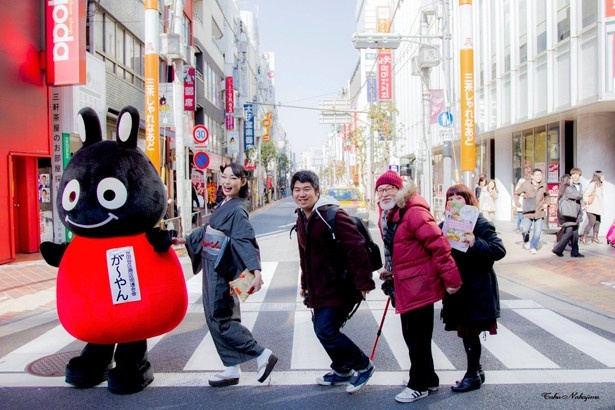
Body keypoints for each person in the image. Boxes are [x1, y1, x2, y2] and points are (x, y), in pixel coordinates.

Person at [174, 163, 277, 387]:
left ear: (243, 182)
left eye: (233, 178)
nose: (227, 182)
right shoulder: (226, 203)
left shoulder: (238, 209)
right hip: (214, 265)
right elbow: (208, 230)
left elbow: (245, 239)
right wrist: (184, 240)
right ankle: (231, 368)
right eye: (224, 177)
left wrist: (255, 269)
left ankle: (261, 353)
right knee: (217, 317)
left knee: (221, 319)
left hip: (220, 269)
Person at [374, 170, 462, 404]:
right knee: (415, 336)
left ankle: (418, 384)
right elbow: (401, 250)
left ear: (400, 189)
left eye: (389, 189)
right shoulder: (391, 213)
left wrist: (452, 280)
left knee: (416, 338)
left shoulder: (413, 212)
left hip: (419, 286)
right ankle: (429, 378)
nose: (384, 193)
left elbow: (439, 246)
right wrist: (390, 269)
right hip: (407, 284)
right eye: (380, 190)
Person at [290, 170, 376, 394]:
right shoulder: (302, 217)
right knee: (321, 329)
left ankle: (363, 366)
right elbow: (304, 255)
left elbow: (356, 246)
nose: (302, 194)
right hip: (319, 287)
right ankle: (342, 368)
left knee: (326, 330)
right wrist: (305, 283)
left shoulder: (333, 215)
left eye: (307, 189)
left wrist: (364, 283)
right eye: (297, 190)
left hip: (341, 285)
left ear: (317, 191)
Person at [440, 184, 506, 393]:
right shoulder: (445, 225)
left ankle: (472, 375)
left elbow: (498, 249)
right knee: (465, 331)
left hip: (476, 287)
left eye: (460, 197)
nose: (454, 201)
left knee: (470, 331)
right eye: (451, 198)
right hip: (458, 287)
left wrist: (475, 242)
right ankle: (476, 370)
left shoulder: (480, 223)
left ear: (469, 201)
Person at [513, 168, 549, 255]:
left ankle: (533, 247)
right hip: (528, 212)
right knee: (525, 230)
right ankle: (526, 238)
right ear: (532, 176)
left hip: (539, 212)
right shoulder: (526, 184)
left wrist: (546, 203)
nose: (539, 177)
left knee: (537, 232)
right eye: (537, 175)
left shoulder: (543, 185)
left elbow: (547, 195)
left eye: (540, 175)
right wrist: (517, 203)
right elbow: (516, 194)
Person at [552, 174, 584, 258]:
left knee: (575, 233)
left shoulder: (564, 188)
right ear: (568, 180)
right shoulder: (568, 188)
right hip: (570, 214)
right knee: (569, 232)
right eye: (571, 179)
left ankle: (574, 252)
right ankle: (558, 249)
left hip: (571, 214)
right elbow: (577, 196)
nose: (572, 181)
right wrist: (583, 192)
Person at [581, 171, 605, 244]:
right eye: (602, 176)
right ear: (598, 176)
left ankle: (595, 237)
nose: (603, 177)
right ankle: (583, 237)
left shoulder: (600, 185)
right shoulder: (593, 184)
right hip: (591, 207)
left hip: (597, 207)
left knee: (598, 222)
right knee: (592, 222)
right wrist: (585, 204)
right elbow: (585, 194)